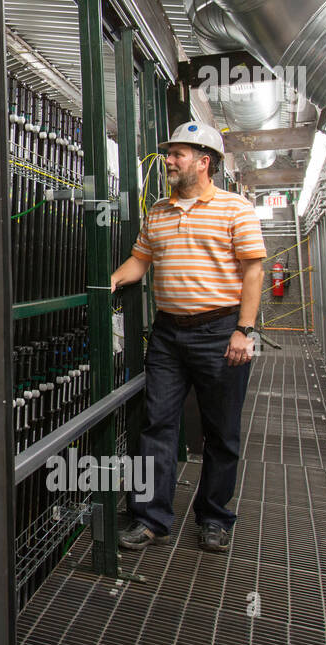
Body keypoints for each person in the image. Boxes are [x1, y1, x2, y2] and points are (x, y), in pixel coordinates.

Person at [109, 122, 266, 553]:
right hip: (168, 335)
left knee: (221, 431)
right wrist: (109, 283)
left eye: (177, 154)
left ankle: (214, 517)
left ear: (204, 161)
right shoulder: (157, 211)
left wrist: (244, 331)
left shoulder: (236, 209)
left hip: (221, 332)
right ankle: (151, 519)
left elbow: (254, 270)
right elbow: (139, 262)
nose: (170, 161)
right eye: (169, 154)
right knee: (157, 424)